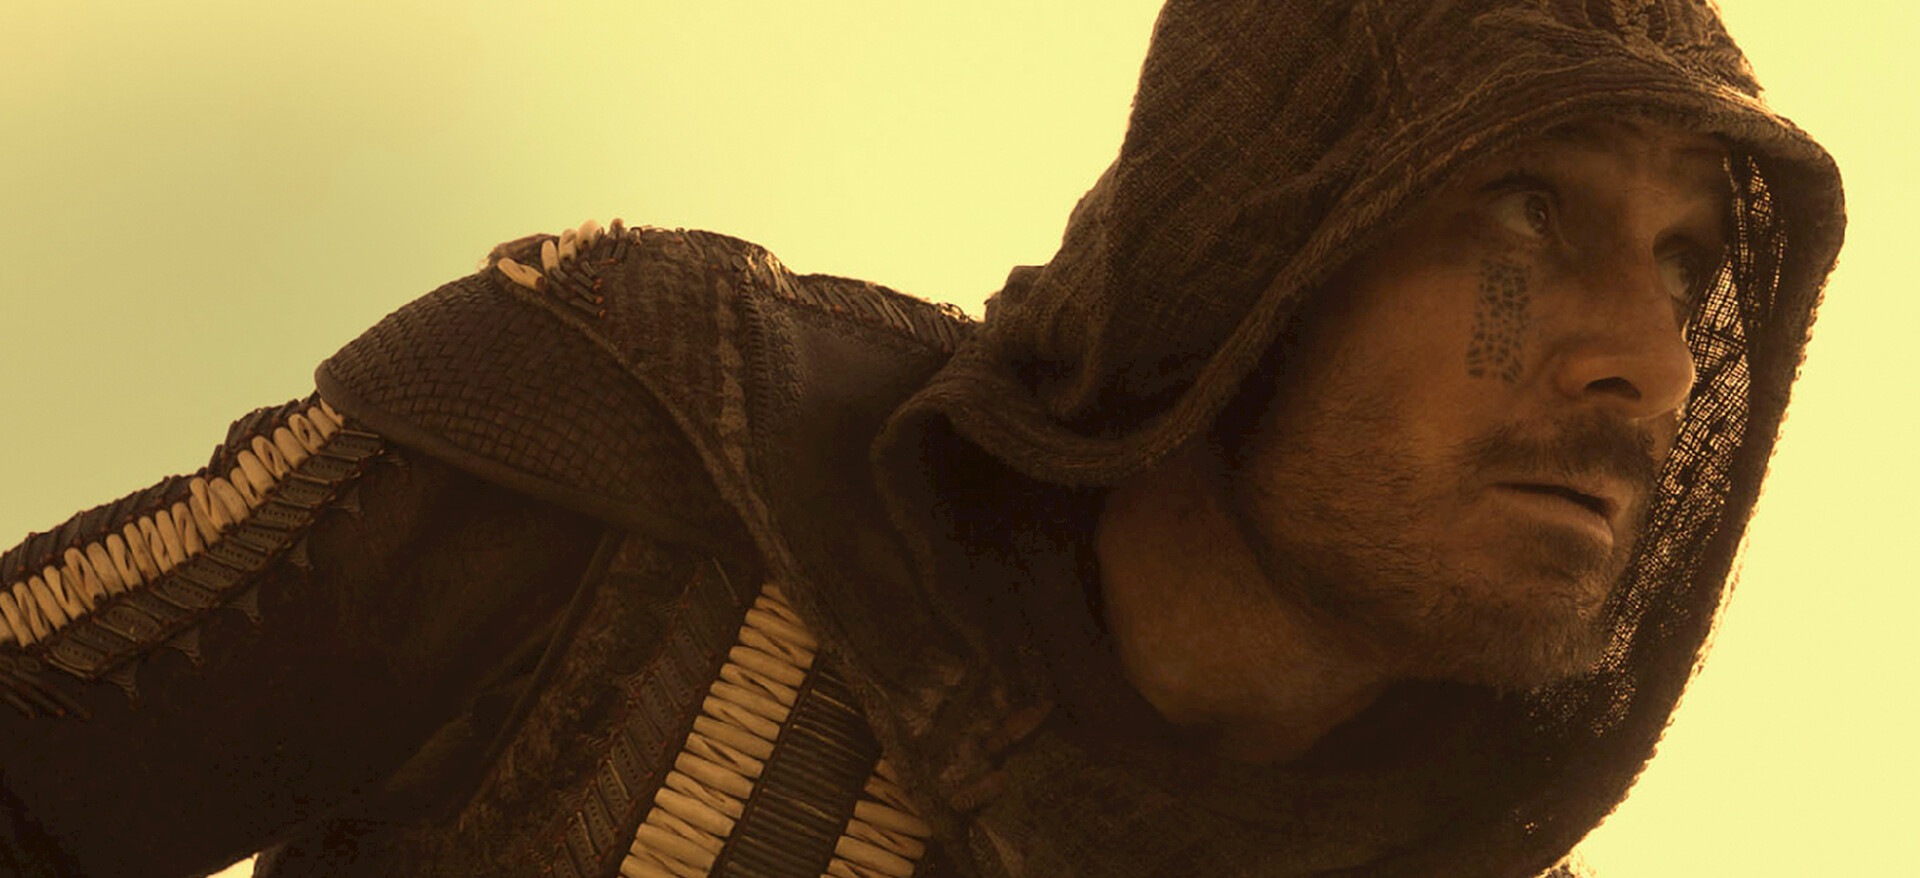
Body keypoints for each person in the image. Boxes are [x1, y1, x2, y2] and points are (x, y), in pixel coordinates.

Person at [0, 1, 1843, 876]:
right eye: (1527, 209)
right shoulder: (637, 447)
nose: (1651, 364)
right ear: (1260, 240)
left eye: (1687, 265)